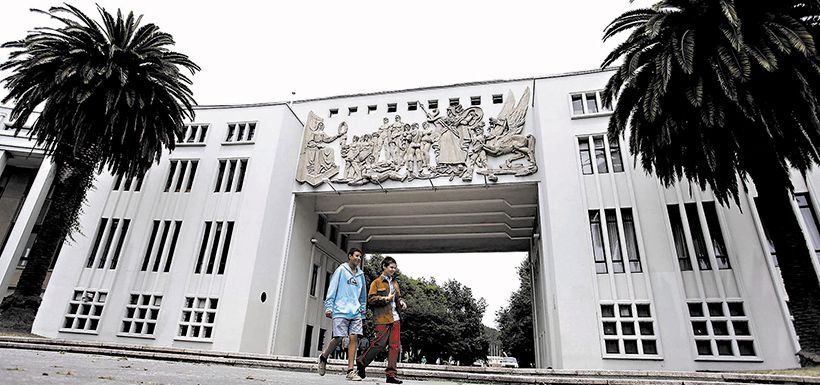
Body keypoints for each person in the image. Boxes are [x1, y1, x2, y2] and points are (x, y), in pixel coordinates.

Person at [317, 248, 366, 381]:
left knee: (354, 337)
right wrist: (329, 307)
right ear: (350, 256)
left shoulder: (361, 275)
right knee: (338, 338)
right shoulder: (341, 270)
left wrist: (362, 311)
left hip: (355, 312)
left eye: (360, 257)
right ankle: (324, 356)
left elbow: (362, 297)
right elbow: (332, 288)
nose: (358, 258)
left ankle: (350, 371)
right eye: (356, 256)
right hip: (340, 309)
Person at [356, 256, 407, 384]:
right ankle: (362, 361)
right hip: (382, 317)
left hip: (395, 317)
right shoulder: (376, 282)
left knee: (395, 346)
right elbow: (371, 300)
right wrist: (385, 299)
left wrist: (401, 302)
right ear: (384, 267)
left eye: (395, 268)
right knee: (379, 344)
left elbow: (399, 297)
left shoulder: (395, 283)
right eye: (391, 267)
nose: (393, 270)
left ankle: (391, 374)